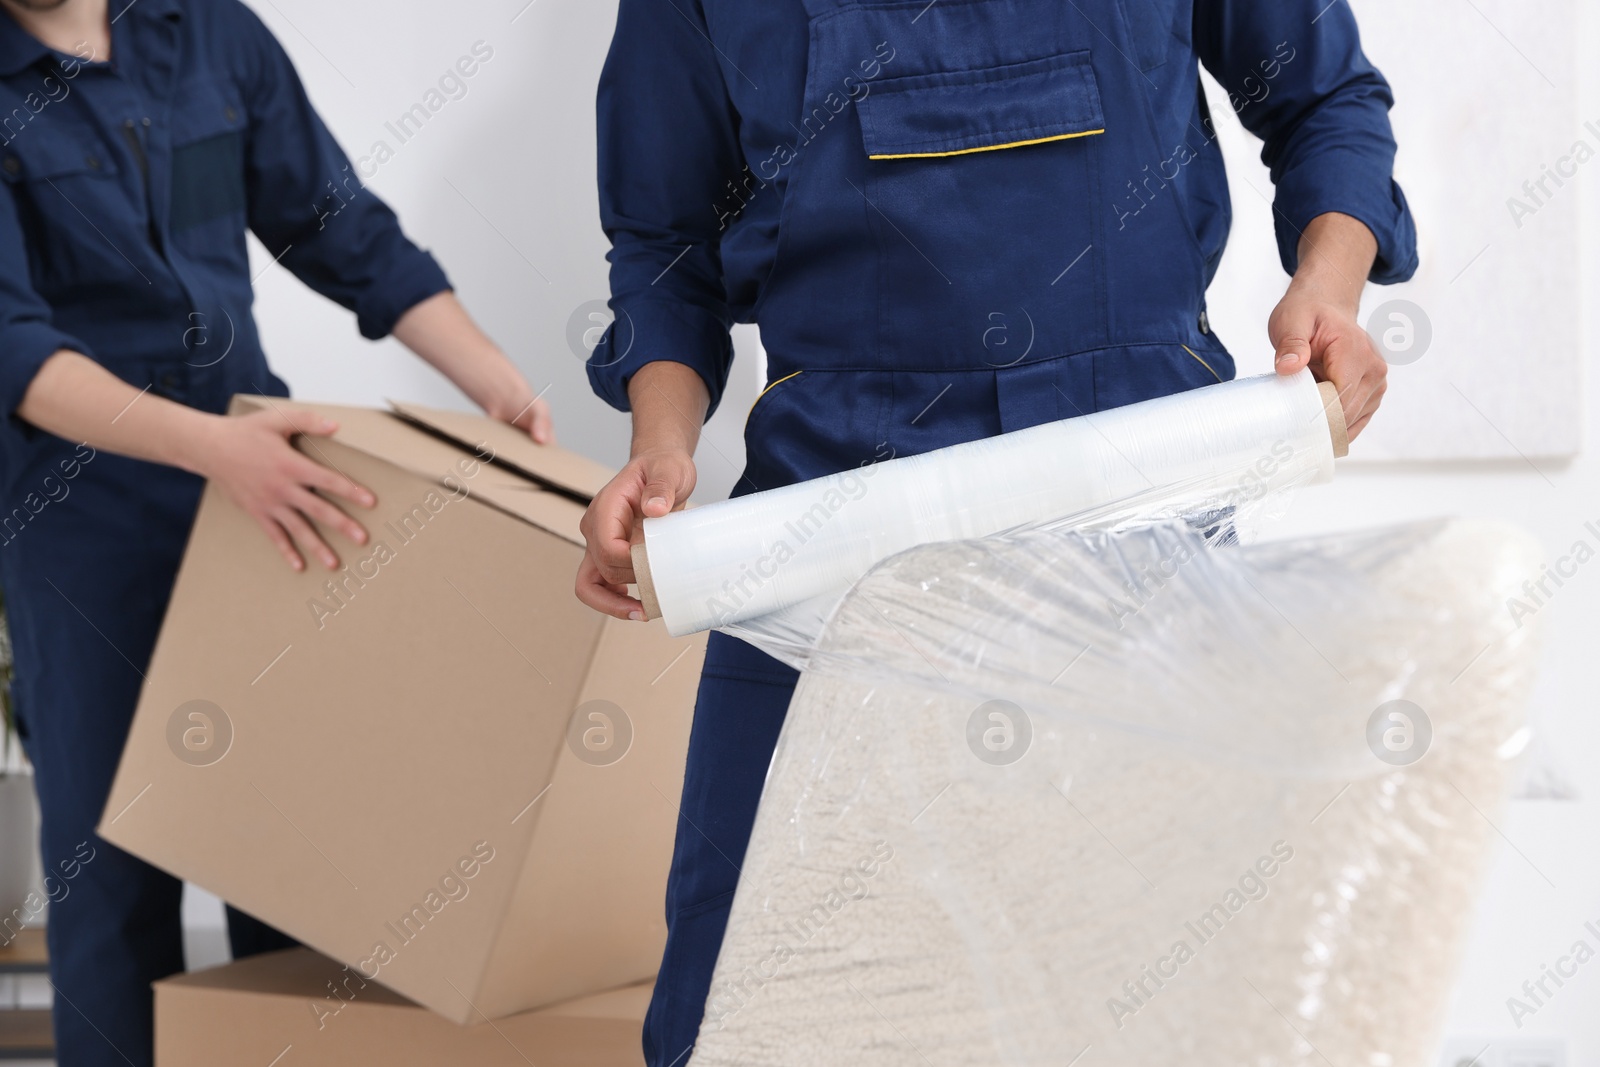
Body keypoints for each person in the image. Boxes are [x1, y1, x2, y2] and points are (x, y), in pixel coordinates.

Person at [577, 0, 1418, 1063]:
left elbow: (1328, 100)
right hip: (837, 519)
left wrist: (1329, 290)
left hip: (1130, 506)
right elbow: (663, 241)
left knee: (1151, 972)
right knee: (739, 991)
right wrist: (662, 445)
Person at [0, 1, 550, 1063]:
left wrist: (496, 382)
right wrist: (215, 449)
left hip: (265, 503)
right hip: (82, 521)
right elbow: (15, 352)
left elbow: (338, 225)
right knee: (115, 873)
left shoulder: (209, 35)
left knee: (289, 852)